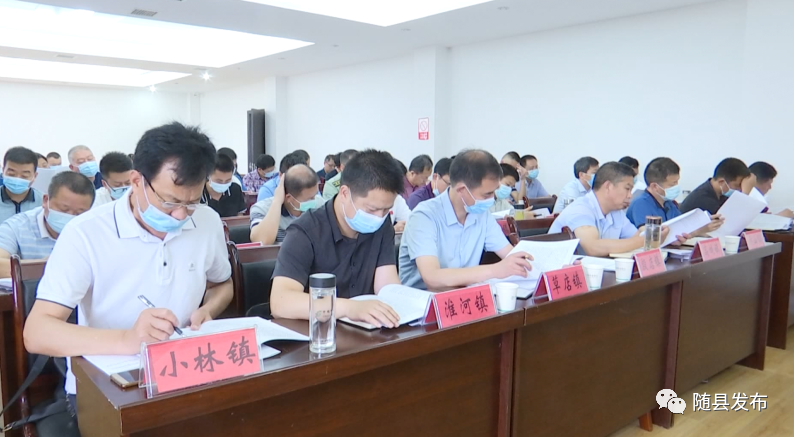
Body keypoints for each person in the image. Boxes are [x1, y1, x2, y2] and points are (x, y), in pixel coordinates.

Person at [24, 122, 233, 411]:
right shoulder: (86, 233)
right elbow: (37, 332)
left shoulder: (206, 221)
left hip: (185, 371)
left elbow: (222, 284)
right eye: (169, 202)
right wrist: (128, 339)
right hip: (107, 388)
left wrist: (208, 308)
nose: (180, 215)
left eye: (192, 203)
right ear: (136, 181)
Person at [270, 150, 403, 328]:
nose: (379, 217)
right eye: (372, 209)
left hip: (367, 332)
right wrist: (349, 308)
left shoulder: (382, 224)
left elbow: (387, 285)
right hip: (318, 334)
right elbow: (281, 302)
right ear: (345, 193)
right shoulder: (305, 232)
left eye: (386, 210)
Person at [399, 150, 532, 291]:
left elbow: (510, 253)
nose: (492, 199)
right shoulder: (424, 216)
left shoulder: (482, 215)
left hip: (463, 295)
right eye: (487, 194)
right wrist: (496, 269)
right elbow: (433, 278)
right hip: (423, 299)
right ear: (462, 189)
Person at [550, 162, 678, 257]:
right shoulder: (581, 208)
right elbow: (593, 247)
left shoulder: (616, 211)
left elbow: (635, 237)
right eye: (627, 188)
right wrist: (645, 239)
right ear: (608, 186)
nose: (630, 195)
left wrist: (658, 236)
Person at [0, 172, 95, 278]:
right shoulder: (17, 226)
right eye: (64, 209)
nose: (70, 216)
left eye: (79, 213)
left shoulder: (94, 230)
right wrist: (43, 266)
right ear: (45, 200)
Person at [626, 157, 724, 233]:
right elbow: (652, 236)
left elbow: (683, 227)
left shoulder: (669, 204)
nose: (676, 187)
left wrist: (703, 222)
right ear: (655, 186)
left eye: (677, 182)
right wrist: (699, 230)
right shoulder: (641, 204)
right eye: (672, 184)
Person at [250, 164, 325, 244]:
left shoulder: (320, 204)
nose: (314, 201)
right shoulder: (261, 208)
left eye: (315, 195)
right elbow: (262, 242)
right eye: (309, 198)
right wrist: (277, 202)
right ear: (289, 197)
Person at [680, 158, 755, 215]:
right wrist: (745, 193)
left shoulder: (720, 195)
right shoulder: (703, 198)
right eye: (737, 185)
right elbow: (732, 221)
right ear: (721, 182)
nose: (740, 189)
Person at [0, 147, 43, 223]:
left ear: (35, 176)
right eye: (11, 174)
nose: (17, 179)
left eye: (24, 176)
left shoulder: (44, 202)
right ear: (3, 171)